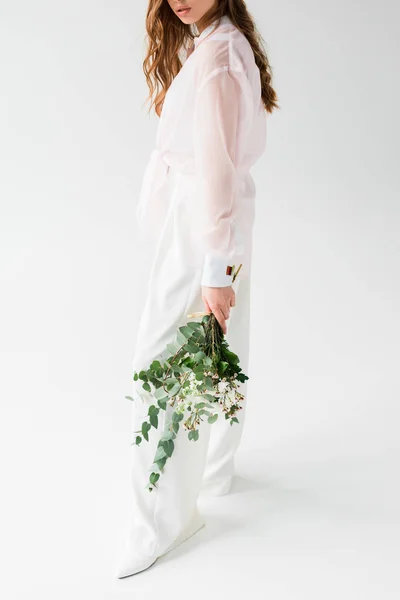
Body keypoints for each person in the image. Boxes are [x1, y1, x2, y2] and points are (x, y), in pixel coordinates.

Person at [116, 0, 278, 578]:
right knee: (215, 353)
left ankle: (162, 519)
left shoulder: (217, 56)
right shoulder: (218, 42)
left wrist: (215, 269)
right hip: (216, 219)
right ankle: (214, 471)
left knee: (158, 362)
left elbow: (215, 170)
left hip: (203, 222)